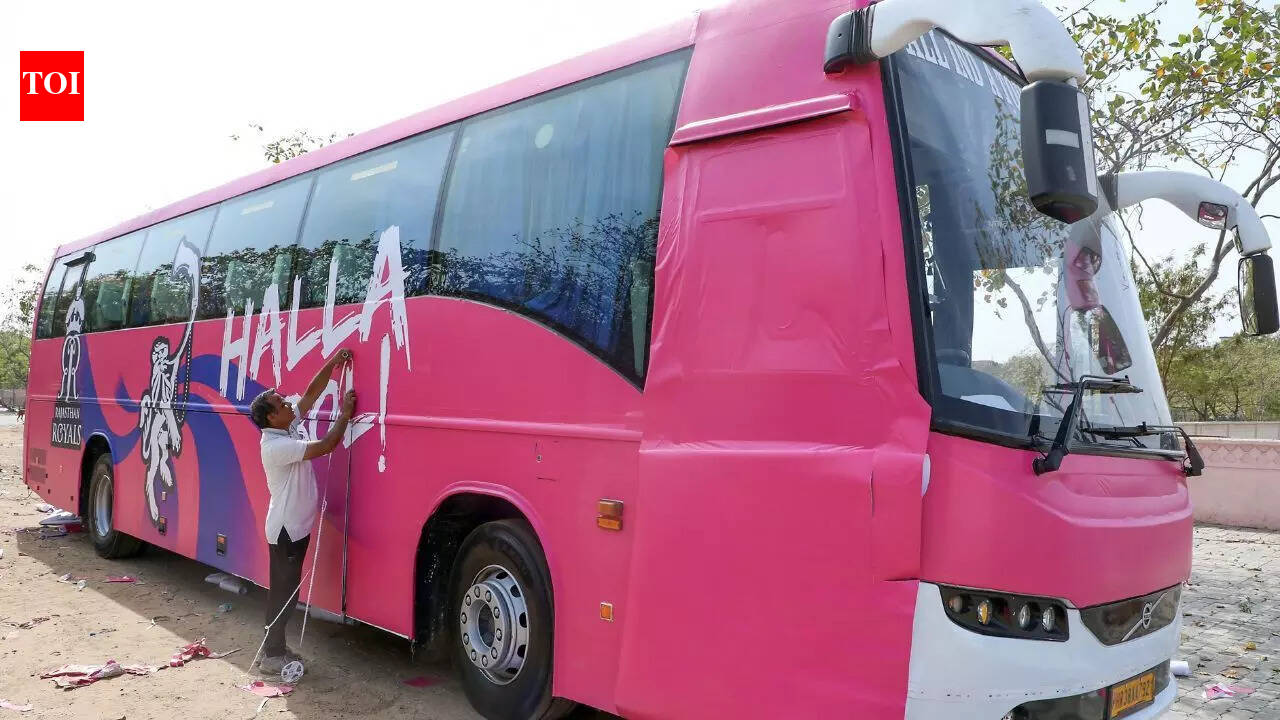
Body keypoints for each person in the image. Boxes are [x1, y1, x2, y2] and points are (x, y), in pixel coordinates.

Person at [248, 348, 356, 674]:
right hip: (286, 530)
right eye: (281, 404)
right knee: (284, 594)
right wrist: (344, 415)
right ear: (271, 418)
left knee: (287, 591)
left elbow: (311, 393)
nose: (288, 405)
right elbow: (325, 446)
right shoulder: (275, 446)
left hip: (294, 527)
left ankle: (275, 649)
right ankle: (272, 655)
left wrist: (333, 363)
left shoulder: (286, 425)